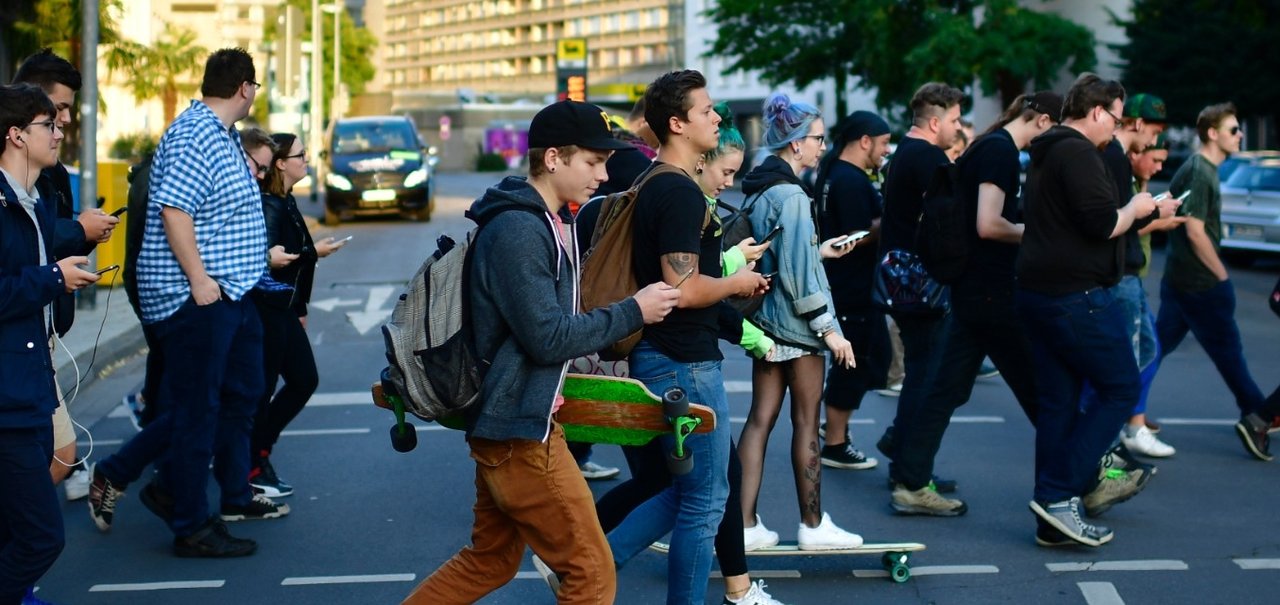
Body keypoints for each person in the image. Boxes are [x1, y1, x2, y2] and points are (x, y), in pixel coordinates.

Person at [400, 99, 681, 604]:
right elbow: (548, 337)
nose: (603, 172)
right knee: (592, 574)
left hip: (514, 425)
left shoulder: (544, 221)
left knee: (489, 562)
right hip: (520, 434)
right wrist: (633, 311)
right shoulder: (519, 229)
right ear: (553, 158)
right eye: (593, 162)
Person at [88, 48, 287, 558]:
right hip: (197, 294)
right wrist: (199, 279)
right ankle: (190, 523)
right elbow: (175, 209)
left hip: (233, 289)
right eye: (256, 88)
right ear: (244, 87)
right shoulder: (195, 134)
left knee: (242, 392)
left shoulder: (220, 135)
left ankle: (169, 486)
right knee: (199, 410)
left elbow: (221, 217)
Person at [586, 101, 786, 605]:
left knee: (684, 492)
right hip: (684, 360)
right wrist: (736, 281)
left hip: (667, 354)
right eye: (706, 109)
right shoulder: (677, 191)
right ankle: (591, 575)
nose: (717, 116)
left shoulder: (658, 181)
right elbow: (682, 289)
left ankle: (588, 573)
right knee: (705, 501)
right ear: (678, 124)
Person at [888, 92, 1062, 518]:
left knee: (947, 387)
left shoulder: (987, 145)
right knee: (1040, 388)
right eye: (1055, 130)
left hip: (974, 287)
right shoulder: (1000, 152)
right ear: (1041, 121)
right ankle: (1079, 474)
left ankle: (910, 476)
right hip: (992, 289)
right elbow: (989, 224)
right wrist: (1036, 232)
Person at [1016, 73, 1163, 547]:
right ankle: (1061, 493)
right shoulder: (1078, 151)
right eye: (1116, 119)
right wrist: (1139, 207)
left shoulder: (1047, 149)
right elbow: (1102, 223)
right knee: (1120, 387)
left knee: (1059, 402)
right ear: (1098, 112)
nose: (1116, 129)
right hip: (1074, 296)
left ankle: (1051, 516)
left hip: (1040, 292)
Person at [736, 93, 860, 552]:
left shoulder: (764, 189)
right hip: (799, 330)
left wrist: (819, 250)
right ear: (794, 144)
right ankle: (813, 525)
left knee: (759, 421)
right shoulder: (791, 195)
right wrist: (831, 332)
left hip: (768, 327)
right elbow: (799, 276)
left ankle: (745, 526)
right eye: (817, 139)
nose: (821, 147)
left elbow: (783, 256)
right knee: (807, 423)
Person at [0, 82, 100, 605]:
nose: (60, 131)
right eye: (49, 125)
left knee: (16, 532)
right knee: (42, 536)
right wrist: (54, 279)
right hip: (6, 400)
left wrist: (63, 275)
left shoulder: (34, 202)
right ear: (16, 134)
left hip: (31, 385)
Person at [120, 127, 277, 433]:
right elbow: (152, 242)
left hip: (184, 295)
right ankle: (133, 466)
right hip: (176, 297)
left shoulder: (177, 173)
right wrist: (197, 280)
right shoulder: (167, 178)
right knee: (189, 401)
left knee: (200, 398)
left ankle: (155, 461)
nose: (259, 176)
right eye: (259, 167)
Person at [12, 48, 121, 492]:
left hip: (41, 334)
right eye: (55, 114)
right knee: (57, 459)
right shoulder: (10, 187)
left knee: (57, 456)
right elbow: (23, 249)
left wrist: (81, 233)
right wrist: (76, 234)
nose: (64, 126)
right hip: (19, 340)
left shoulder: (47, 174)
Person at [1155, 102, 1267, 436]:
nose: (1240, 135)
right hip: (1200, 283)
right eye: (1234, 130)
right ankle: (1258, 418)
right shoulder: (1202, 171)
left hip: (1179, 278)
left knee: (1154, 349)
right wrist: (1222, 275)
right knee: (1230, 355)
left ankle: (1121, 407)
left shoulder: (1196, 166)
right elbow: (1194, 229)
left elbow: (1171, 202)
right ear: (1213, 134)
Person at [248, 132, 348, 498]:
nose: (307, 159)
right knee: (262, 391)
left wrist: (301, 307)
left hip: (285, 309)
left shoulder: (285, 200)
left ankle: (258, 451)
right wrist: (313, 253)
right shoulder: (270, 205)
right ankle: (253, 463)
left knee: (303, 380)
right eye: (300, 155)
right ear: (280, 163)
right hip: (268, 310)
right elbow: (273, 261)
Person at [876, 82, 964, 493]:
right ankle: (909, 462)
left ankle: (904, 446)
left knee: (920, 370)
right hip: (922, 282)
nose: (957, 129)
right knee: (926, 376)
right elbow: (945, 224)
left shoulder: (900, 156)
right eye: (955, 120)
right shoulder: (928, 157)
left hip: (900, 278)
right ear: (935, 121)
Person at [814, 110, 893, 471]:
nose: (885, 150)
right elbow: (853, 237)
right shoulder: (850, 181)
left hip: (845, 284)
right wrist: (886, 222)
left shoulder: (834, 174)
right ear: (865, 141)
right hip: (853, 286)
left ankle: (834, 430)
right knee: (853, 363)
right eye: (883, 143)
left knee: (862, 360)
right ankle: (835, 441)